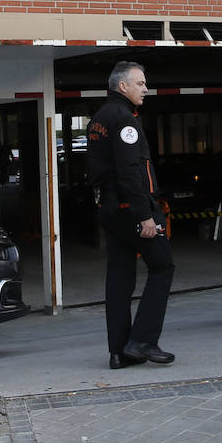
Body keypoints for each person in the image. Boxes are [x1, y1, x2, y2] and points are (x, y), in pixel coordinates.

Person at [87, 60, 176, 369]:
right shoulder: (125, 121)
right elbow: (129, 172)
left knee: (120, 279)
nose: (145, 88)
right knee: (163, 266)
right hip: (130, 209)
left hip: (108, 209)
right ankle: (143, 341)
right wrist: (144, 216)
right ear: (122, 86)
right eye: (140, 83)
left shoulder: (98, 118)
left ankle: (119, 353)